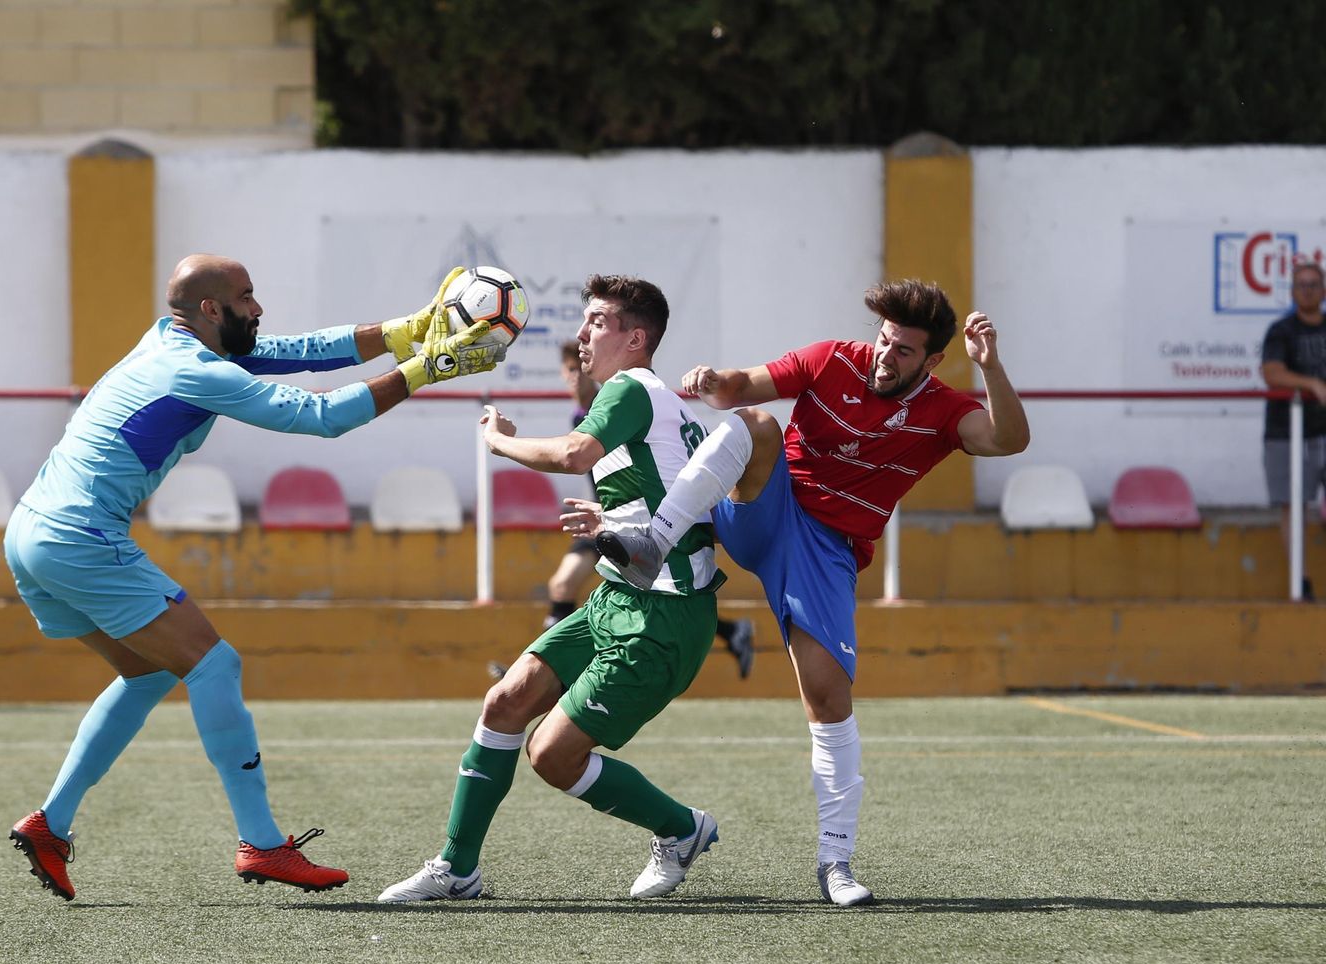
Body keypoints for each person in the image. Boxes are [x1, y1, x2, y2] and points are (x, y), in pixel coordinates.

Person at [5, 256, 501, 901]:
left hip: (31, 533)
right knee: (215, 666)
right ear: (212, 310)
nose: (259, 308)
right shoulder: (197, 369)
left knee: (150, 670)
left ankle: (52, 824)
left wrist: (411, 329)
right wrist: (429, 367)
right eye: (246, 297)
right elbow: (322, 417)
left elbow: (300, 350)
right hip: (80, 535)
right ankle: (262, 844)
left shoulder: (169, 342)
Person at [592, 279, 1029, 906]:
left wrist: (992, 369)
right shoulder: (832, 359)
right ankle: (654, 540)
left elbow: (1009, 439)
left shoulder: (945, 408)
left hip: (826, 552)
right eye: (884, 341)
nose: (885, 356)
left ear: (932, 361)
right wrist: (712, 382)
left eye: (904, 351)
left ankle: (836, 862)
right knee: (758, 424)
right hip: (768, 506)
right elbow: (739, 389)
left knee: (828, 698)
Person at [379, 274, 725, 903]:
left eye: (597, 321)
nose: (581, 332)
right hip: (617, 598)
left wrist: (498, 441)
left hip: (662, 620)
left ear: (635, 337)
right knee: (505, 702)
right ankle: (458, 870)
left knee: (552, 756)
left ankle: (681, 830)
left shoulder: (631, 387)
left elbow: (573, 453)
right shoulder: (653, 404)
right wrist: (616, 525)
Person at [508, 340, 756, 680]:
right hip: (609, 516)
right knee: (581, 587)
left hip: (629, 518)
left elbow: (573, 455)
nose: (573, 378)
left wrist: (498, 442)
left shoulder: (615, 401)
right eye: (566, 371)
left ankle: (558, 670)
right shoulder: (594, 410)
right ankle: (552, 667)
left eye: (576, 369)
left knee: (571, 585)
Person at [1260, 256, 1326, 601]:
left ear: (1324, 290)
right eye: (1301, 285)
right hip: (1287, 432)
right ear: (1292, 291)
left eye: (1313, 284)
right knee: (1293, 505)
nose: (1308, 291)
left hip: (1323, 432)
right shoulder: (1281, 331)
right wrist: (1312, 385)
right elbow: (1272, 374)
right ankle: (1300, 582)